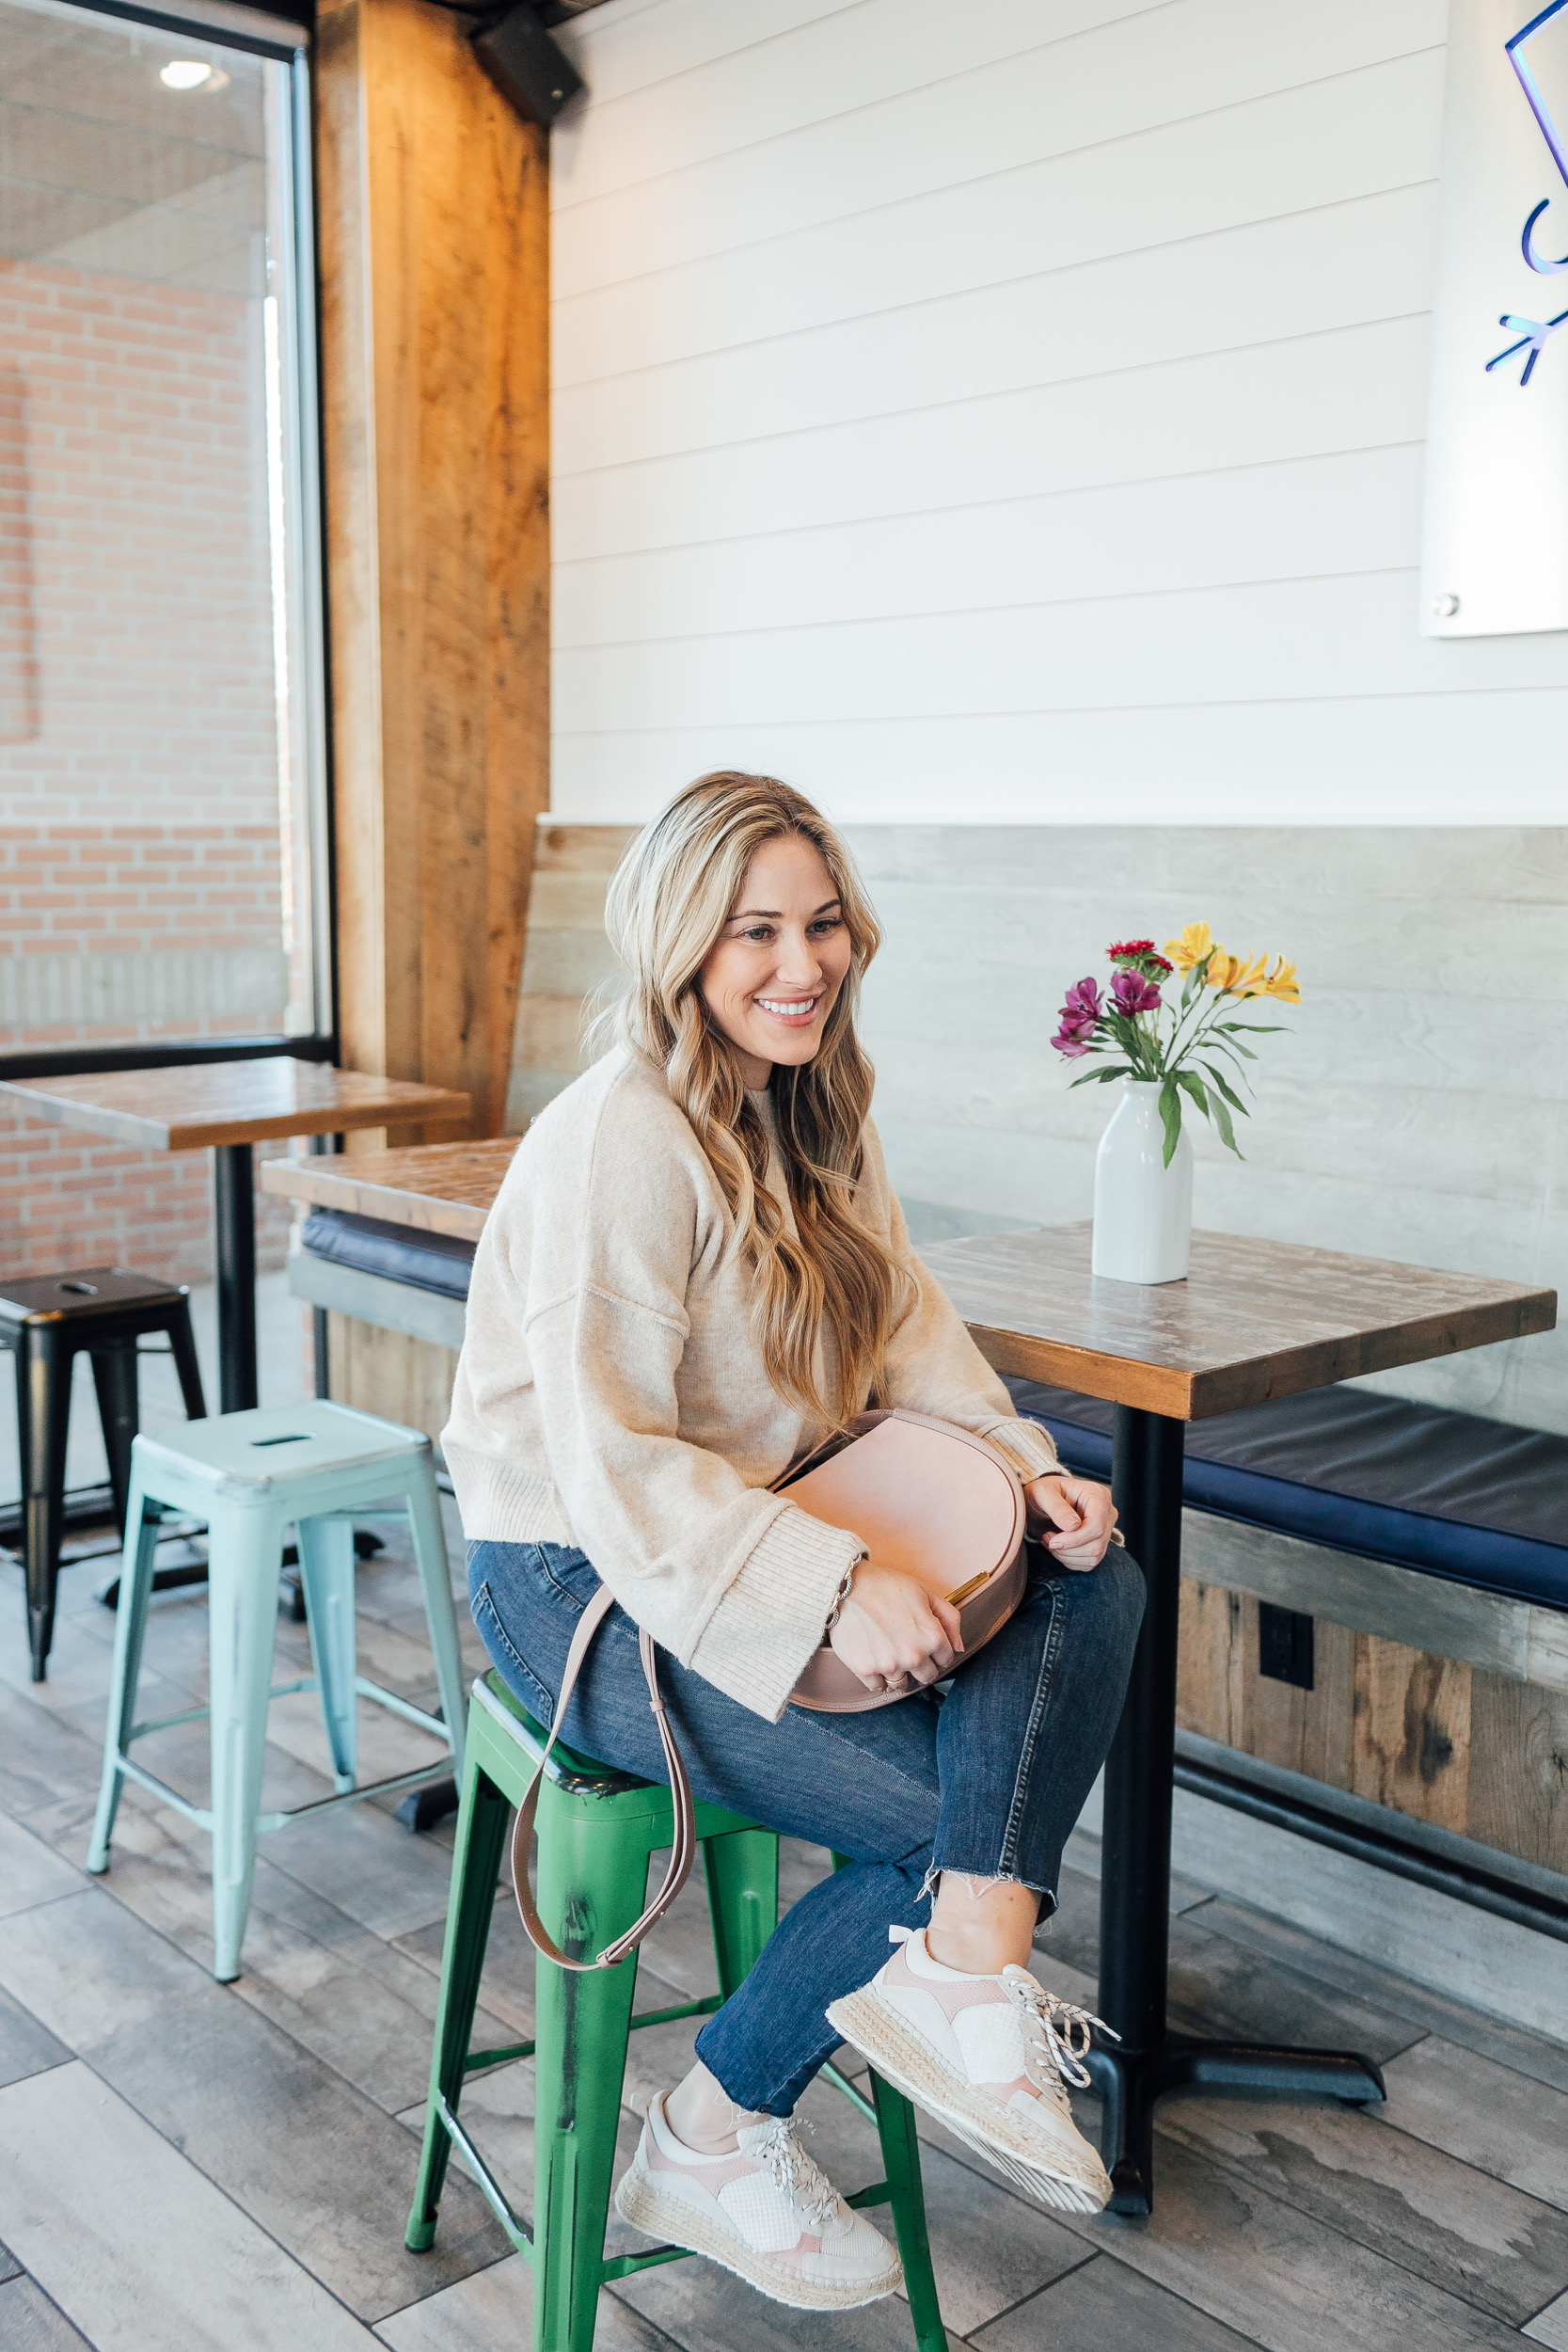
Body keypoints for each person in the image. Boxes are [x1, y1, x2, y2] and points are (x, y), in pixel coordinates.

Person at [443, 772, 1144, 2313]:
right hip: (580, 1572)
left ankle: (963, 1974)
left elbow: (912, 1336)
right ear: (679, 947)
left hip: (760, 1515)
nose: (801, 963)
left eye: (822, 923)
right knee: (943, 1814)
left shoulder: (813, 1105)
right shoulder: (621, 1133)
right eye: (754, 930)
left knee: (1098, 1584)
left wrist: (1028, 1472)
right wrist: (831, 1581)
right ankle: (723, 2122)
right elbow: (612, 1464)